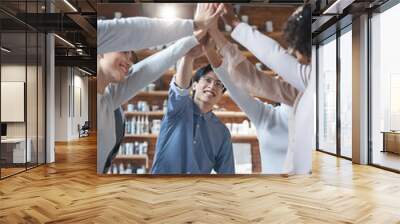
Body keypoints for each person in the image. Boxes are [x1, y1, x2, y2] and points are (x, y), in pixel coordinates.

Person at [97, 4, 223, 174]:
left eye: (131, 55)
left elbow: (145, 71)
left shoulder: (109, 99)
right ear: (99, 48)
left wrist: (190, 42)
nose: (129, 61)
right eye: (124, 49)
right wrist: (194, 24)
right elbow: (131, 31)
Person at [218, 3, 313, 175]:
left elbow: (272, 56)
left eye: (293, 47)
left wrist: (233, 24)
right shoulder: (302, 92)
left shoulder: (313, 78)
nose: (292, 54)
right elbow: (254, 77)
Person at [202, 29, 299, 173]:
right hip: (272, 193)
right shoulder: (265, 115)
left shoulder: (313, 112)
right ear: (277, 79)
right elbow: (230, 83)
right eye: (283, 73)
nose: (286, 78)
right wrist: (208, 49)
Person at [151, 45, 235, 174]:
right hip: (161, 189)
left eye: (219, 84)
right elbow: (180, 89)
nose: (212, 86)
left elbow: (227, 175)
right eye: (208, 80)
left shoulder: (222, 133)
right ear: (194, 85)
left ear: (221, 94)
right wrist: (189, 56)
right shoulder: (178, 110)